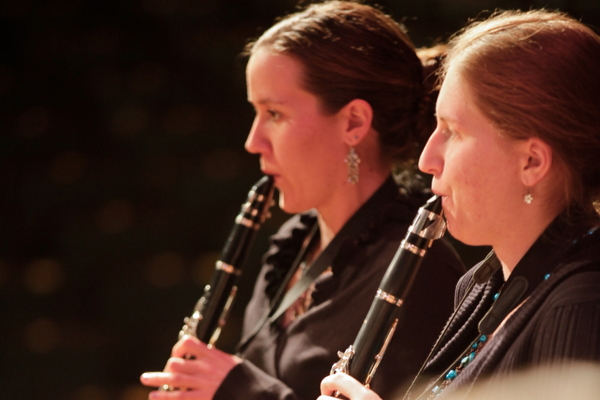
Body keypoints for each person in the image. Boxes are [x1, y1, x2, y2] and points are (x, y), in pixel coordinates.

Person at [140, 2, 465, 400]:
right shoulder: (287, 250)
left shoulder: (425, 272)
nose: (252, 141)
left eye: (274, 114)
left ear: (353, 123)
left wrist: (243, 391)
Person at [318, 9, 600, 400]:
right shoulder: (482, 285)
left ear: (531, 162)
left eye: (452, 131)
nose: (426, 159)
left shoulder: (582, 305)